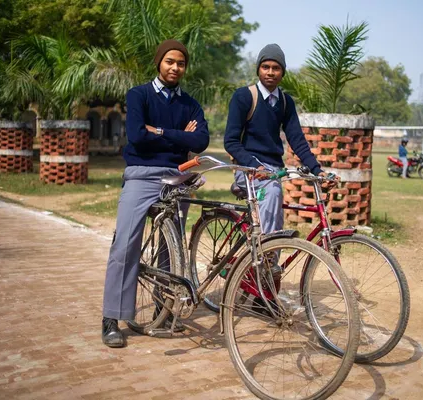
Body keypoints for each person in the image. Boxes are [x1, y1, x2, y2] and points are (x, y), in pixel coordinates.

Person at [101, 39, 210, 348]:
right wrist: (180, 138)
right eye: (170, 62)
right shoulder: (139, 95)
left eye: (181, 63)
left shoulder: (190, 103)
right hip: (141, 174)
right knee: (124, 244)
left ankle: (163, 309)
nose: (175, 67)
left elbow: (201, 140)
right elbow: (136, 136)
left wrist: (160, 132)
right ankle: (111, 318)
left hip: (177, 177)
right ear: (159, 63)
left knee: (170, 249)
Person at [224, 44, 330, 314]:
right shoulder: (244, 97)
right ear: (258, 69)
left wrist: (317, 170)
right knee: (273, 194)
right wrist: (255, 166)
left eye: (276, 68)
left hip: (271, 171)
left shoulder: (284, 101)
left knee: (273, 208)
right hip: (247, 170)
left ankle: (263, 286)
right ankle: (267, 269)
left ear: (282, 72)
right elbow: (231, 142)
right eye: (265, 67)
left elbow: (297, 140)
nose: (270, 72)